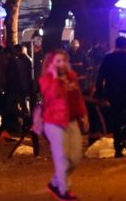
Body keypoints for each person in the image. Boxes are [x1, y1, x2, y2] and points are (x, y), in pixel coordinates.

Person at [39, 49, 88, 201]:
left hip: (72, 120)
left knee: (75, 158)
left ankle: (55, 184)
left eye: (63, 61)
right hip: (54, 122)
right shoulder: (46, 80)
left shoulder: (72, 77)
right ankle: (63, 190)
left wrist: (84, 115)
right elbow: (51, 95)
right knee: (62, 158)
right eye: (58, 61)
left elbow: (78, 97)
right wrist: (55, 77)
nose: (61, 64)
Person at [96, 36, 126, 158]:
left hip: (112, 92)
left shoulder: (108, 58)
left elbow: (100, 76)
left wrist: (100, 94)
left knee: (116, 120)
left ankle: (118, 148)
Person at [4, 45, 33, 133]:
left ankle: (25, 117)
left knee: (10, 106)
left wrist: (7, 86)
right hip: (22, 87)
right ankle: (27, 122)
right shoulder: (20, 61)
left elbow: (11, 76)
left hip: (15, 88)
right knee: (23, 105)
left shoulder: (13, 62)